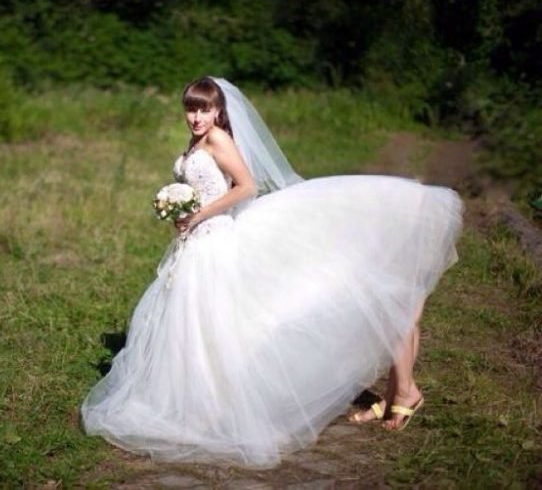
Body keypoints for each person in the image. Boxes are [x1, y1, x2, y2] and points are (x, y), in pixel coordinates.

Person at [81, 77, 462, 467]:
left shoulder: (217, 139)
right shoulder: (195, 143)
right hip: (196, 242)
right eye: (191, 109)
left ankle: (397, 391)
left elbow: (245, 186)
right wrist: (182, 212)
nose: (196, 117)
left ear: (218, 111)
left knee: (241, 318)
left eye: (205, 110)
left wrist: (198, 214)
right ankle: (204, 400)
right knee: (200, 324)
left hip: (214, 237)